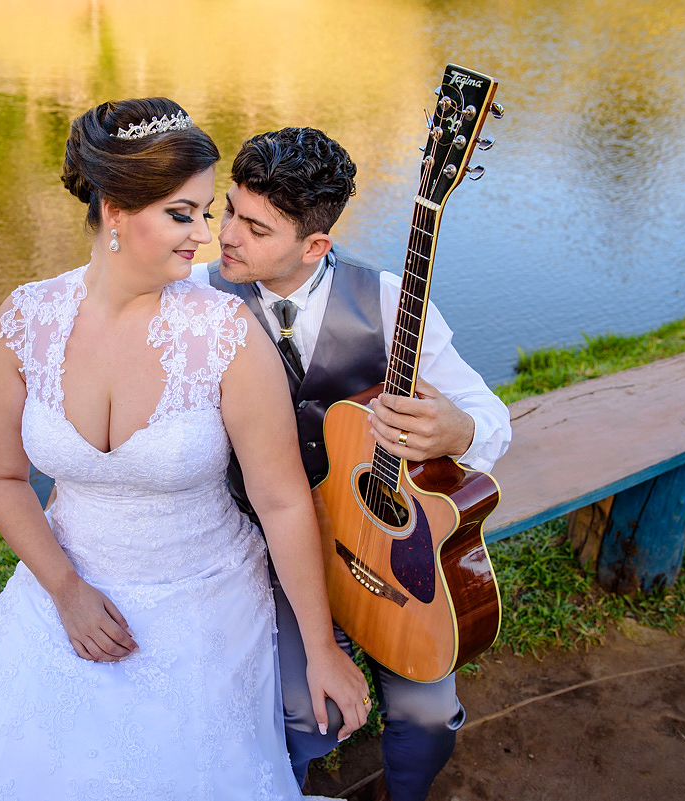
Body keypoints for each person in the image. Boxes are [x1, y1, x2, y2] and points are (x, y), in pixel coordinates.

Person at [0, 99, 370, 800]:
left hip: (205, 602)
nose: (205, 239)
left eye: (208, 213)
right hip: (65, 584)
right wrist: (66, 589)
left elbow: (281, 499)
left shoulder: (226, 334)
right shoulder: (24, 321)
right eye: (184, 214)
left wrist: (322, 646)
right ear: (115, 208)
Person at [191, 127, 512, 801]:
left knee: (429, 715)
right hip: (266, 546)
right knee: (305, 713)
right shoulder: (196, 299)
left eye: (255, 227)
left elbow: (492, 420)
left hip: (384, 550)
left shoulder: (393, 299)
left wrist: (460, 427)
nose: (225, 237)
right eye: (228, 210)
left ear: (315, 246)